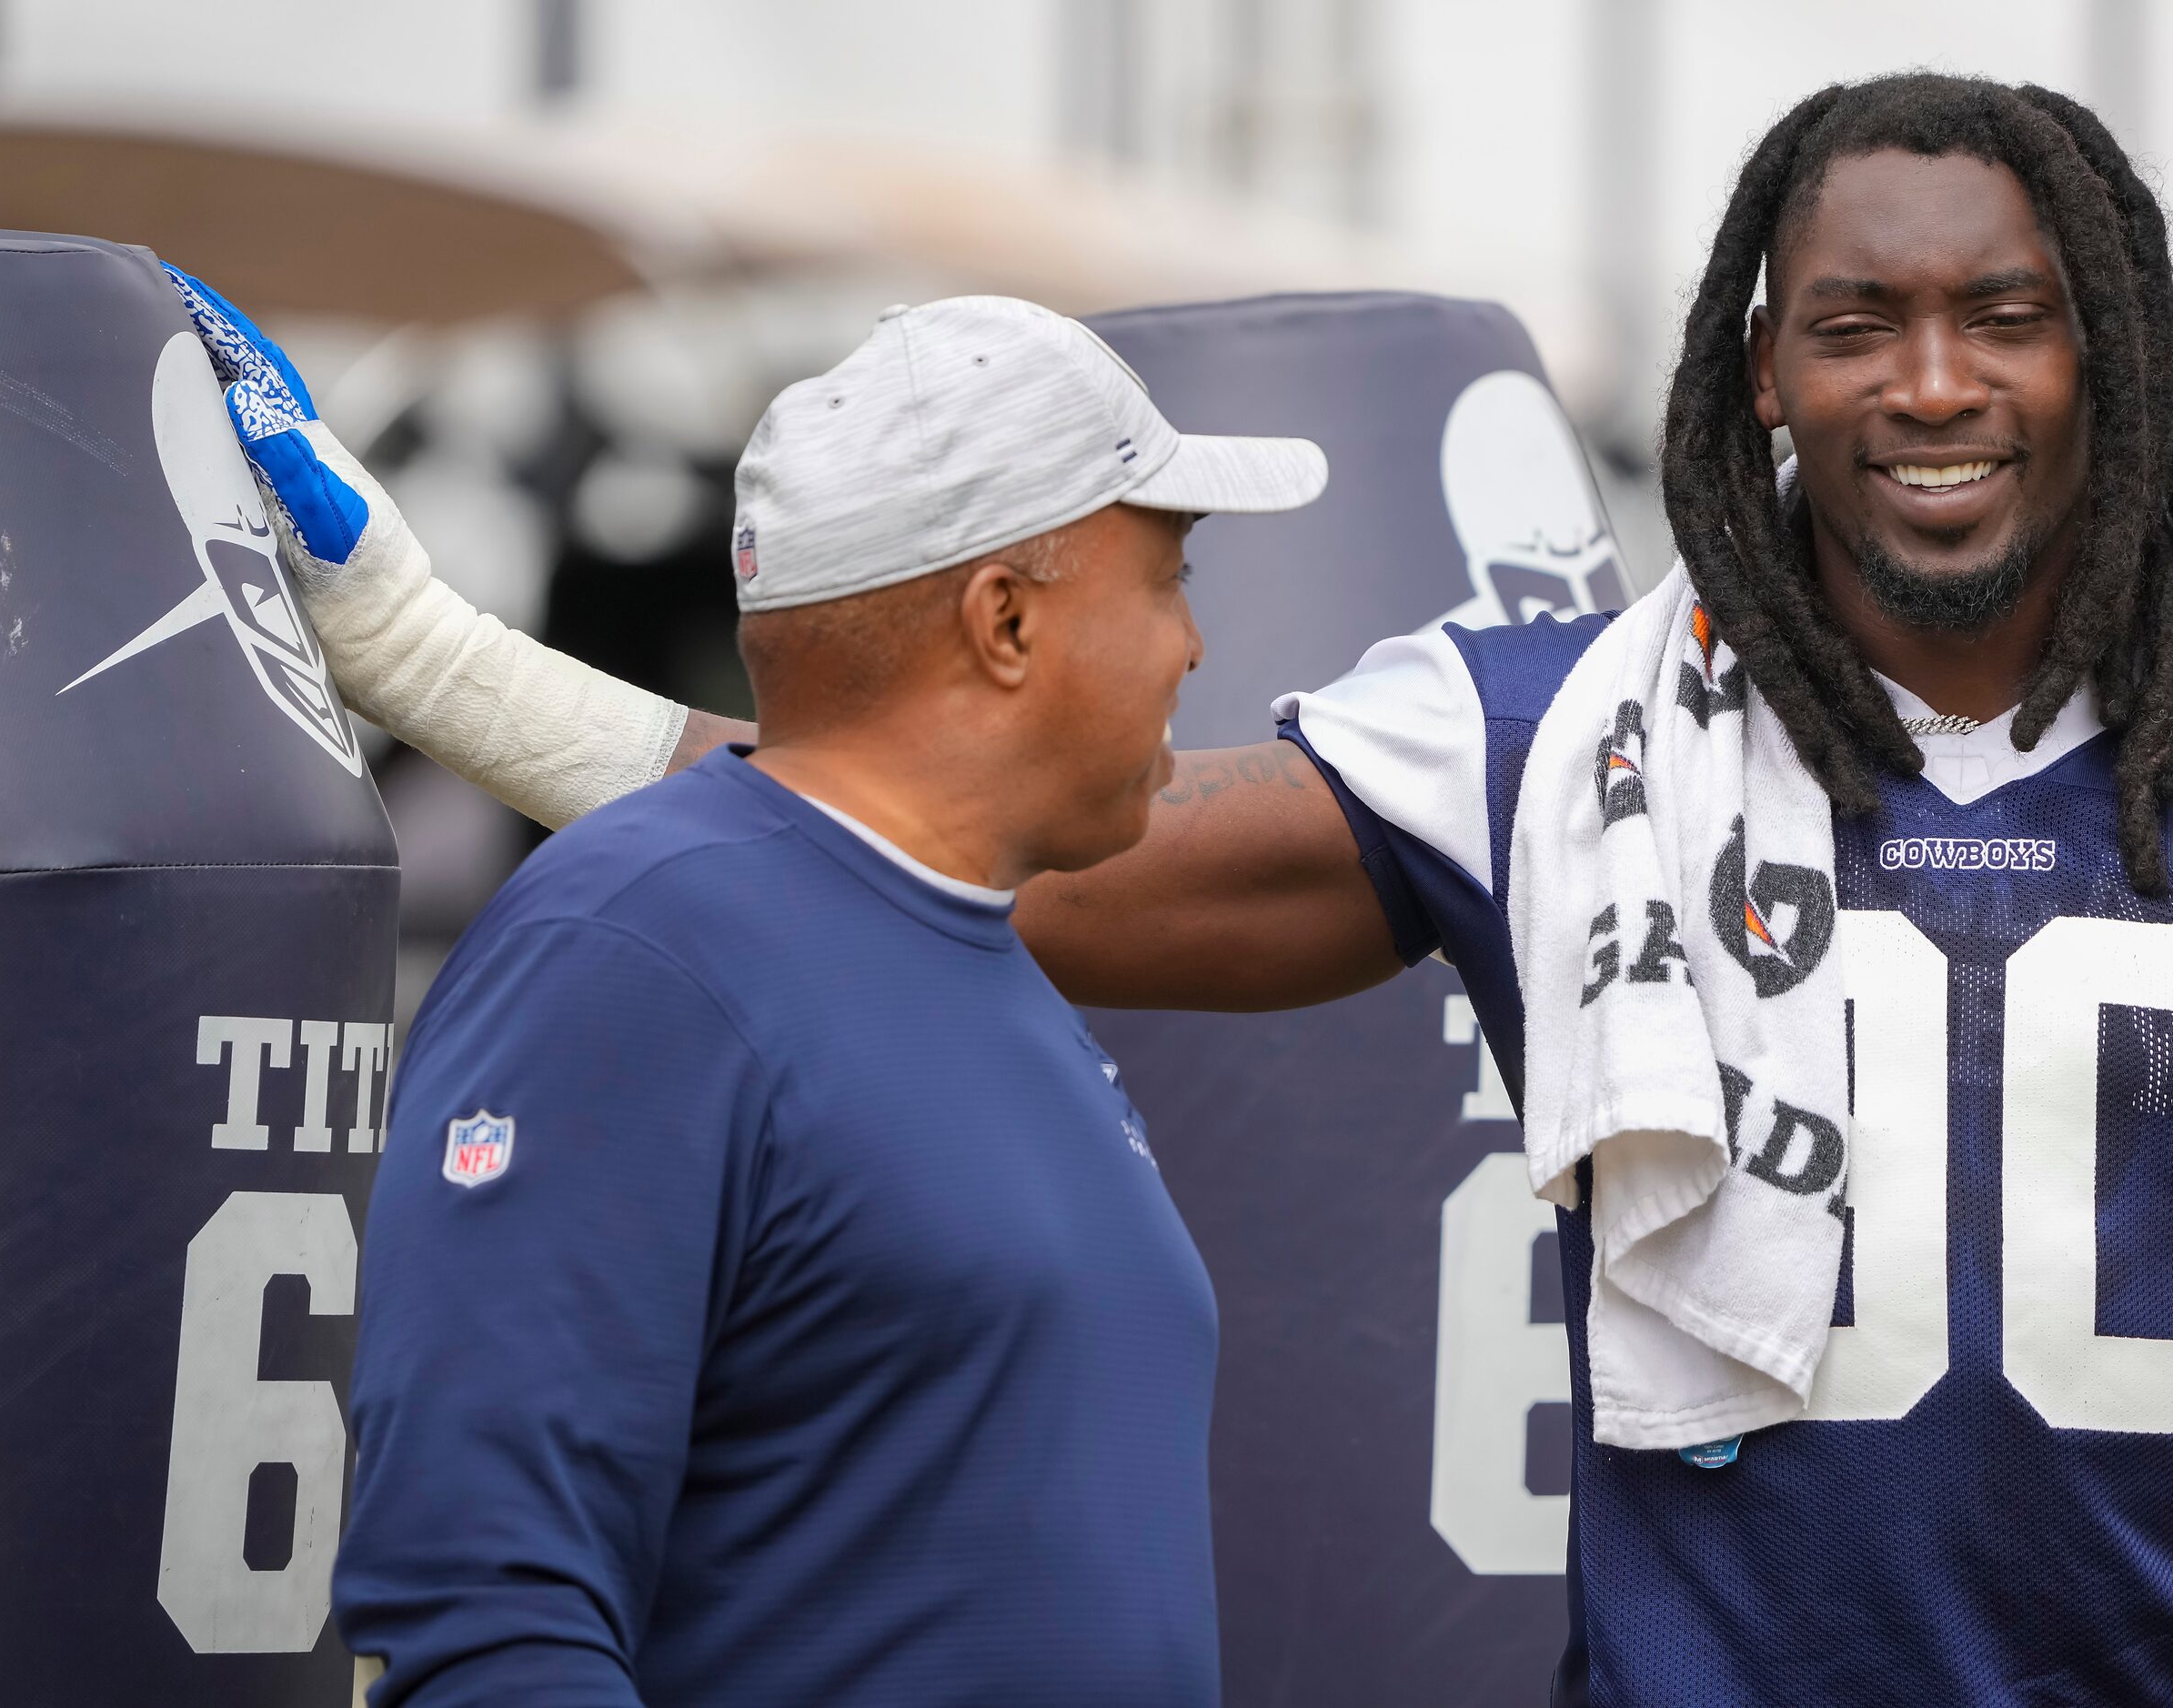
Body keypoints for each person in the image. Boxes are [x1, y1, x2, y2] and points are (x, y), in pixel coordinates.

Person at [184, 75, 2173, 1708]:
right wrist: (443, 657)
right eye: (1855, 324)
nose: (1930, 381)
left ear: (2116, 355)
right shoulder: (1565, 744)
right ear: (1762, 382)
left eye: (2003, 316)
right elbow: (920, 817)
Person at [184, 285, 1329, 1706]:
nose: (1194, 647)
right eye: (1167, 579)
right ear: (1007, 621)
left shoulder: (972, 962)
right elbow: (489, 1615)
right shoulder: (635, 950)